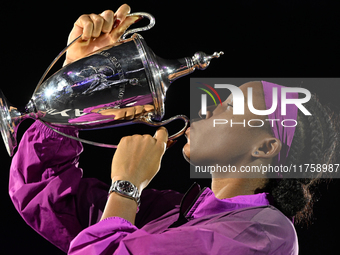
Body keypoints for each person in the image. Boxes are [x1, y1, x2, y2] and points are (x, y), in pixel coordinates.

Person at [8, 4, 339, 255]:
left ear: (265, 147)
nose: (206, 108)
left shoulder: (264, 235)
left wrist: (125, 188)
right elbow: (45, 194)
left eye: (228, 107)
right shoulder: (172, 212)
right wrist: (76, 83)